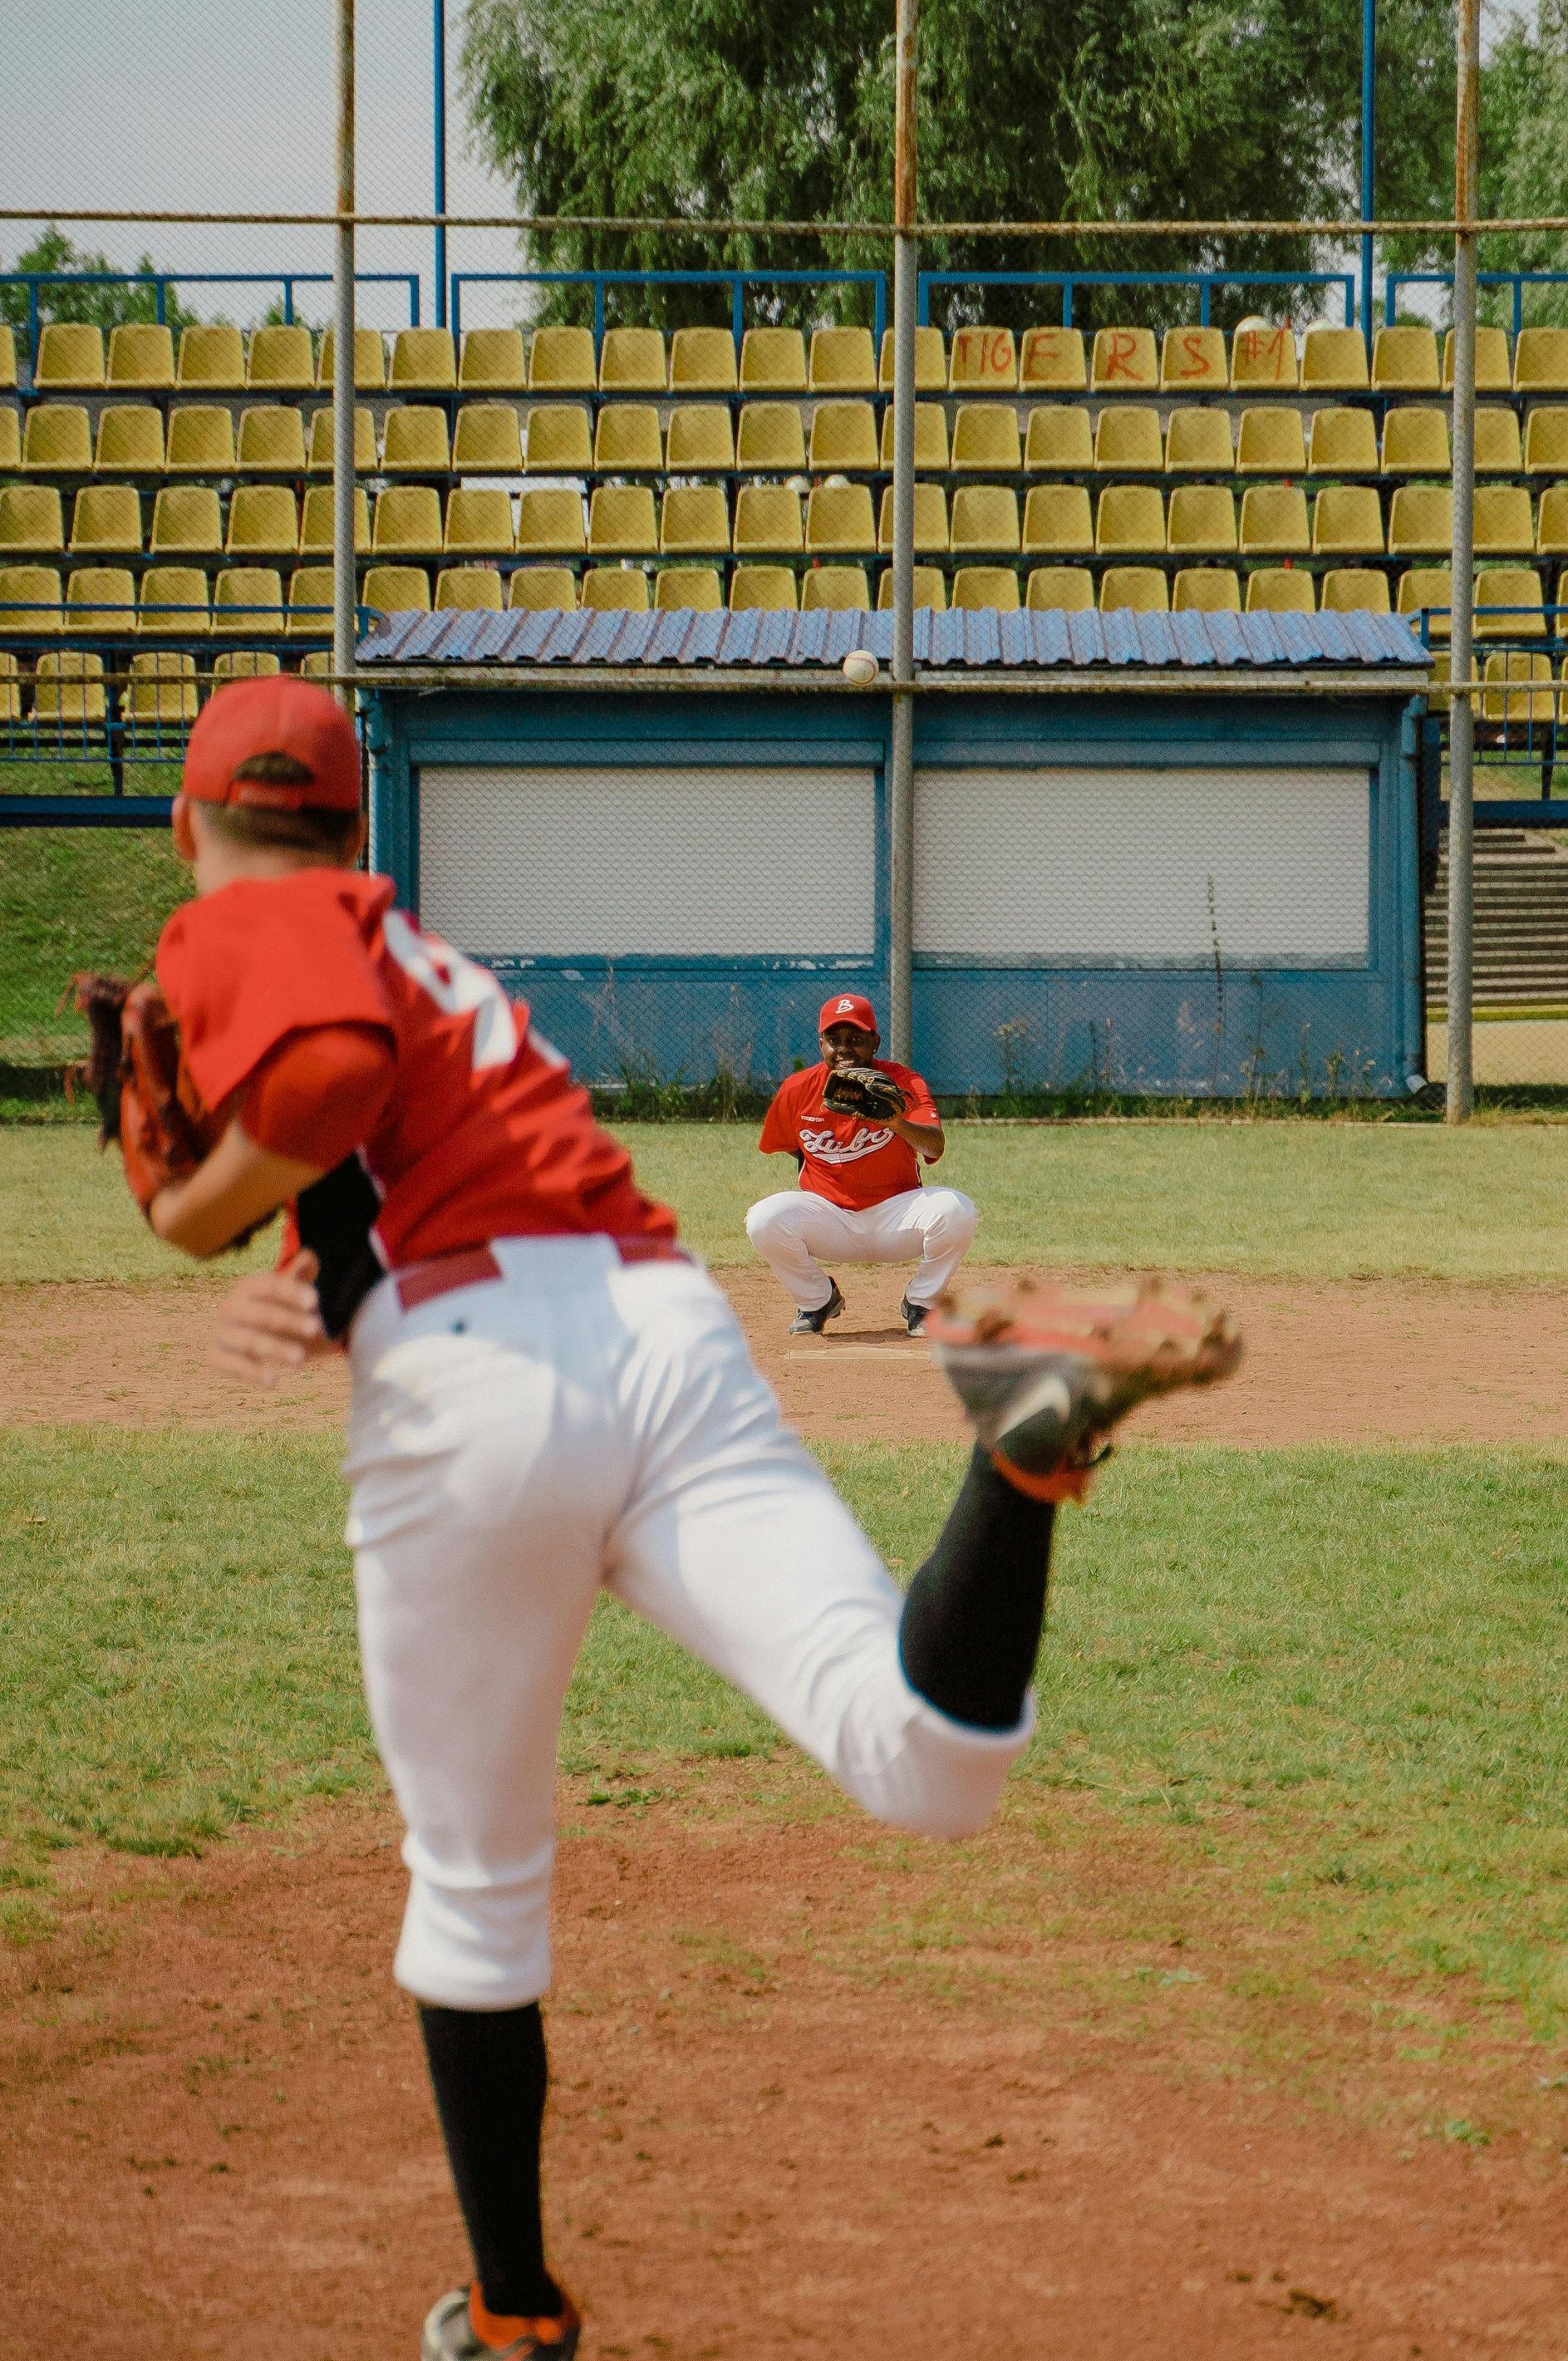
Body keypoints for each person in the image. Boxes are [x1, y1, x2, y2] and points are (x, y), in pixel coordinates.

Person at [119, 675, 1238, 2361]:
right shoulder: (428, 955)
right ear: (363, 823)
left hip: (472, 1391)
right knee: (922, 1762)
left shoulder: (260, 912)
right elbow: (408, 1148)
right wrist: (320, 1273)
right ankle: (1017, 1459)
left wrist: (202, 1215)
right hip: (657, 1329)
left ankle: (511, 2321)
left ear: (196, 822)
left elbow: (330, 1080)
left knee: (478, 1894)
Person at [746, 992, 976, 1337]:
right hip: (830, 1220)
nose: (844, 1048)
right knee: (763, 1218)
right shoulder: (797, 1090)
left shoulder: (904, 1082)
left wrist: (895, 1121)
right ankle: (817, 1300)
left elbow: (934, 1144)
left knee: (957, 1210)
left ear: (875, 1042)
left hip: (895, 1217)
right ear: (820, 1043)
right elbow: (793, 1148)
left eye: (855, 1039)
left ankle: (921, 1304)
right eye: (833, 1039)